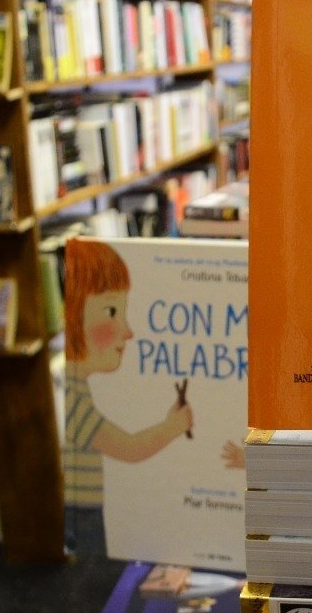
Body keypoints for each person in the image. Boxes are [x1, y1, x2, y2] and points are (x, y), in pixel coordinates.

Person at [64, 238, 194, 555]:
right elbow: (128, 448)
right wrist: (171, 428)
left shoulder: (76, 388)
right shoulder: (73, 396)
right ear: (74, 313)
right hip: (82, 515)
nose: (128, 331)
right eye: (112, 311)